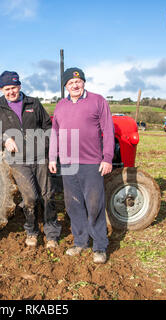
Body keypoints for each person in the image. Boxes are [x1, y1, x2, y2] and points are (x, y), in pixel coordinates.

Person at [0, 71, 61, 248]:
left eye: (13, 87)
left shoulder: (33, 103)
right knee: (29, 197)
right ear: (1, 89)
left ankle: (51, 233)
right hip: (18, 159)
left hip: (39, 157)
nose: (11, 91)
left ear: (19, 86)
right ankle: (32, 231)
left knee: (47, 195)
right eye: (7, 89)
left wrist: (43, 146)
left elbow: (47, 126)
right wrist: (5, 138)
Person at [48, 67, 114, 264]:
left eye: (78, 81)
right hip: (68, 163)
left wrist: (107, 158)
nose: (75, 85)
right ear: (66, 86)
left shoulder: (97, 100)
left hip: (91, 161)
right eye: (70, 83)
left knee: (95, 204)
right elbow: (55, 133)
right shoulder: (60, 105)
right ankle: (80, 241)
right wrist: (53, 157)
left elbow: (108, 130)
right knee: (73, 204)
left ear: (83, 82)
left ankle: (100, 246)